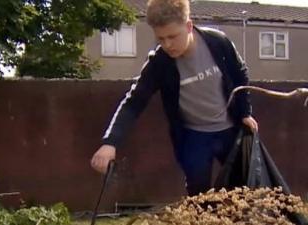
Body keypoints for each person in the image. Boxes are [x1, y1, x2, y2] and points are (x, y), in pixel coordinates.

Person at [90, 0, 258, 196]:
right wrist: (111, 142)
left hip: (229, 129)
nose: (167, 45)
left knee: (242, 189)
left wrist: (245, 112)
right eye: (160, 38)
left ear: (188, 26)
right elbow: (133, 102)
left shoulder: (218, 43)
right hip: (194, 138)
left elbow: (240, 73)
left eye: (172, 36)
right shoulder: (159, 63)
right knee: (198, 197)